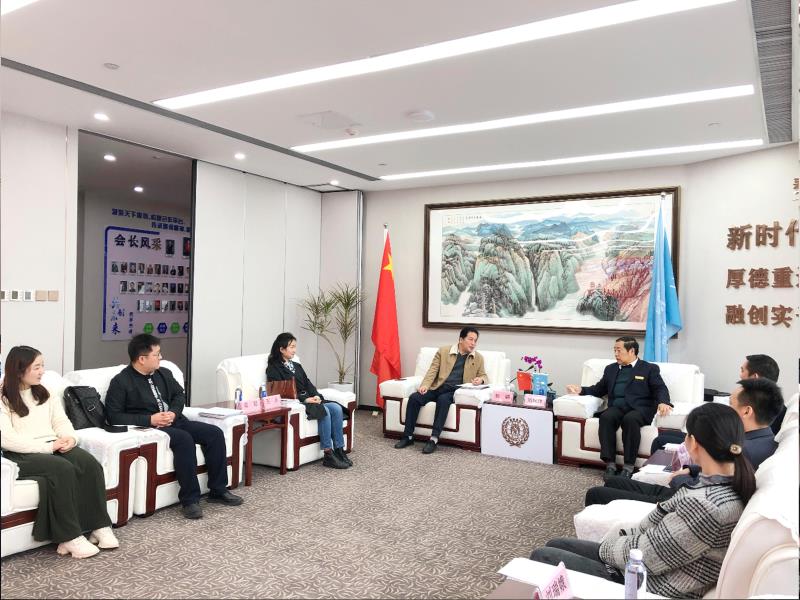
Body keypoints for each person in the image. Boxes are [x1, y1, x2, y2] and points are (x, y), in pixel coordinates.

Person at [532, 402, 755, 599]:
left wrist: (609, 548)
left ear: (693, 442)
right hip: (647, 565)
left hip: (646, 585)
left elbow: (649, 558)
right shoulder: (728, 484)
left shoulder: (706, 506)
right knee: (556, 544)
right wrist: (618, 543)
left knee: (543, 556)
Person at [105, 334, 243, 519]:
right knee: (184, 439)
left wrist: (174, 413)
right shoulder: (121, 381)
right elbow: (113, 416)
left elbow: (179, 395)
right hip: (152, 429)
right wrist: (150, 419)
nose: (161, 357)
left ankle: (218, 490)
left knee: (214, 433)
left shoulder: (164, 373)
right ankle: (190, 500)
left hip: (175, 420)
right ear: (142, 359)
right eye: (157, 354)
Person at [585, 377, 783, 506]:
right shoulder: (759, 441)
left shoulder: (744, 450)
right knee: (613, 481)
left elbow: (705, 488)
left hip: (677, 499)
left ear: (747, 411)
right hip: (683, 490)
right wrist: (691, 469)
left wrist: (679, 477)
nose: (726, 409)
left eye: (731, 404)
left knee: (596, 493)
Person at [0, 346, 118, 558]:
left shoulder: (45, 392)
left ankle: (99, 525)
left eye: (42, 365)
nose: (42, 371)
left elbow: (61, 422)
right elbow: (7, 439)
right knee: (62, 469)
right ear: (19, 370)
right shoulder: (3, 397)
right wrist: (48, 447)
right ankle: (69, 537)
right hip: (19, 454)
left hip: (51, 445)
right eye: (37, 367)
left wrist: (70, 438)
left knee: (89, 464)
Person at [565, 337, 671, 480]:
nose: (616, 354)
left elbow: (660, 388)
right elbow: (599, 389)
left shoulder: (648, 368)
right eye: (614, 350)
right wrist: (581, 390)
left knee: (630, 420)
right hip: (617, 407)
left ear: (631, 351)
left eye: (619, 350)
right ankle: (610, 464)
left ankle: (628, 466)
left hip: (639, 409)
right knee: (606, 417)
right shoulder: (611, 369)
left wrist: (663, 402)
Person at [650, 353, 782, 452]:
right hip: (721, 440)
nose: (740, 374)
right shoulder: (769, 403)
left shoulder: (766, 410)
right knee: (665, 436)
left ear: (755, 377)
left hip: (721, 443)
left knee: (661, 441)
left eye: (742, 370)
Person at [394, 327, 488, 454]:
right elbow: (432, 371)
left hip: (455, 391)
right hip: (438, 387)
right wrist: (425, 385)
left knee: (443, 400)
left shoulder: (478, 358)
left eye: (475, 340)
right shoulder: (443, 351)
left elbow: (484, 375)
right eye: (470, 339)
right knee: (414, 398)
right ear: (461, 339)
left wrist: (480, 380)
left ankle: (433, 439)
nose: (473, 343)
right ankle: (408, 436)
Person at [266, 332, 352, 470]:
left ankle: (339, 450)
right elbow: (281, 392)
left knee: (336, 408)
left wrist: (317, 396)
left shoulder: (296, 365)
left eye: (295, 346)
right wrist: (305, 399)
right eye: (291, 347)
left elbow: (307, 383)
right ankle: (328, 454)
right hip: (297, 402)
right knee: (324, 410)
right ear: (281, 349)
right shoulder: (273, 368)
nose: (294, 350)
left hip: (310, 399)